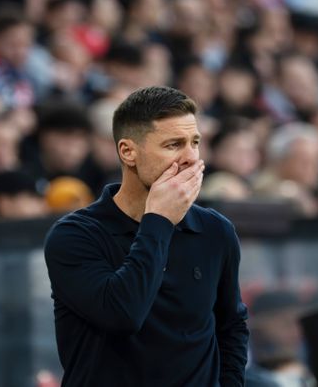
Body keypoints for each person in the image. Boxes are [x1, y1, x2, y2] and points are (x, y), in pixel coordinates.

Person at [44, 86, 249, 386]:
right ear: (128, 152)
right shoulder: (75, 236)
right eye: (173, 145)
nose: (191, 158)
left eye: (195, 143)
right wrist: (159, 220)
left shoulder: (215, 230)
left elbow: (231, 326)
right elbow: (123, 314)